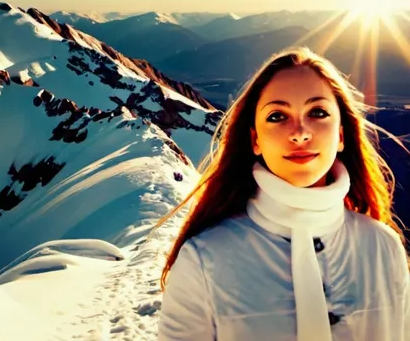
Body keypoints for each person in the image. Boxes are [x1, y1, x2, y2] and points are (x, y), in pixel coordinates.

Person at [157, 47, 409, 341]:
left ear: (341, 135)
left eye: (318, 113)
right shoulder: (203, 261)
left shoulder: (383, 247)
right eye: (277, 116)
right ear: (255, 140)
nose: (300, 133)